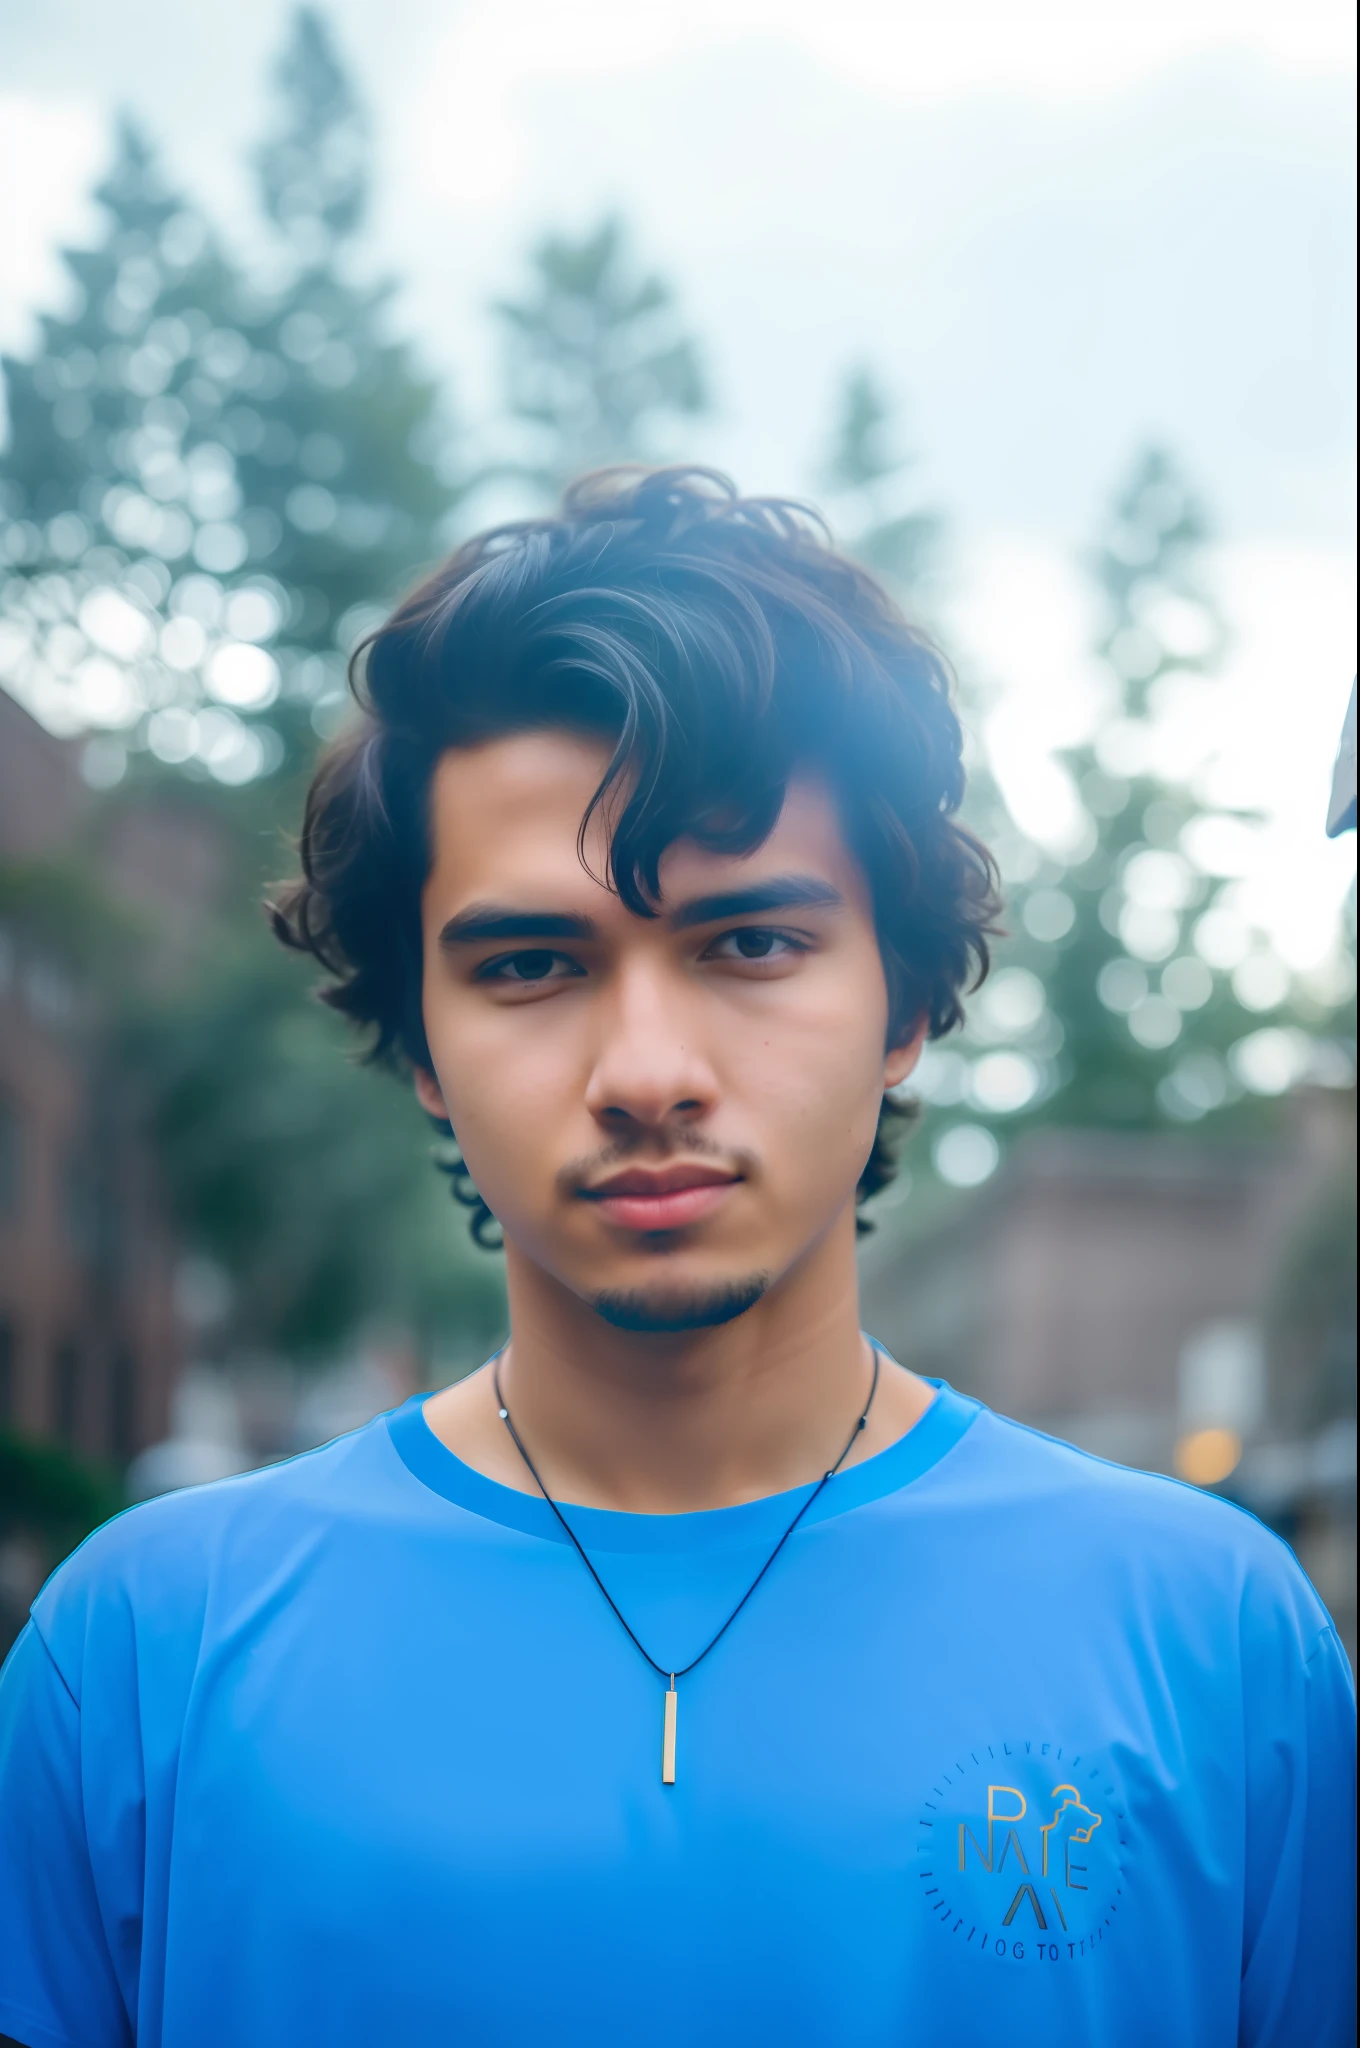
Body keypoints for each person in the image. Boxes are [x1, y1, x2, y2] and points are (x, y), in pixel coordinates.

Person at [0, 469, 1352, 2048]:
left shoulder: (1211, 1643)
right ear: (421, 1044)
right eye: (529, 963)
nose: (646, 1069)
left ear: (907, 1006)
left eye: (752, 944)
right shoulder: (142, 1656)